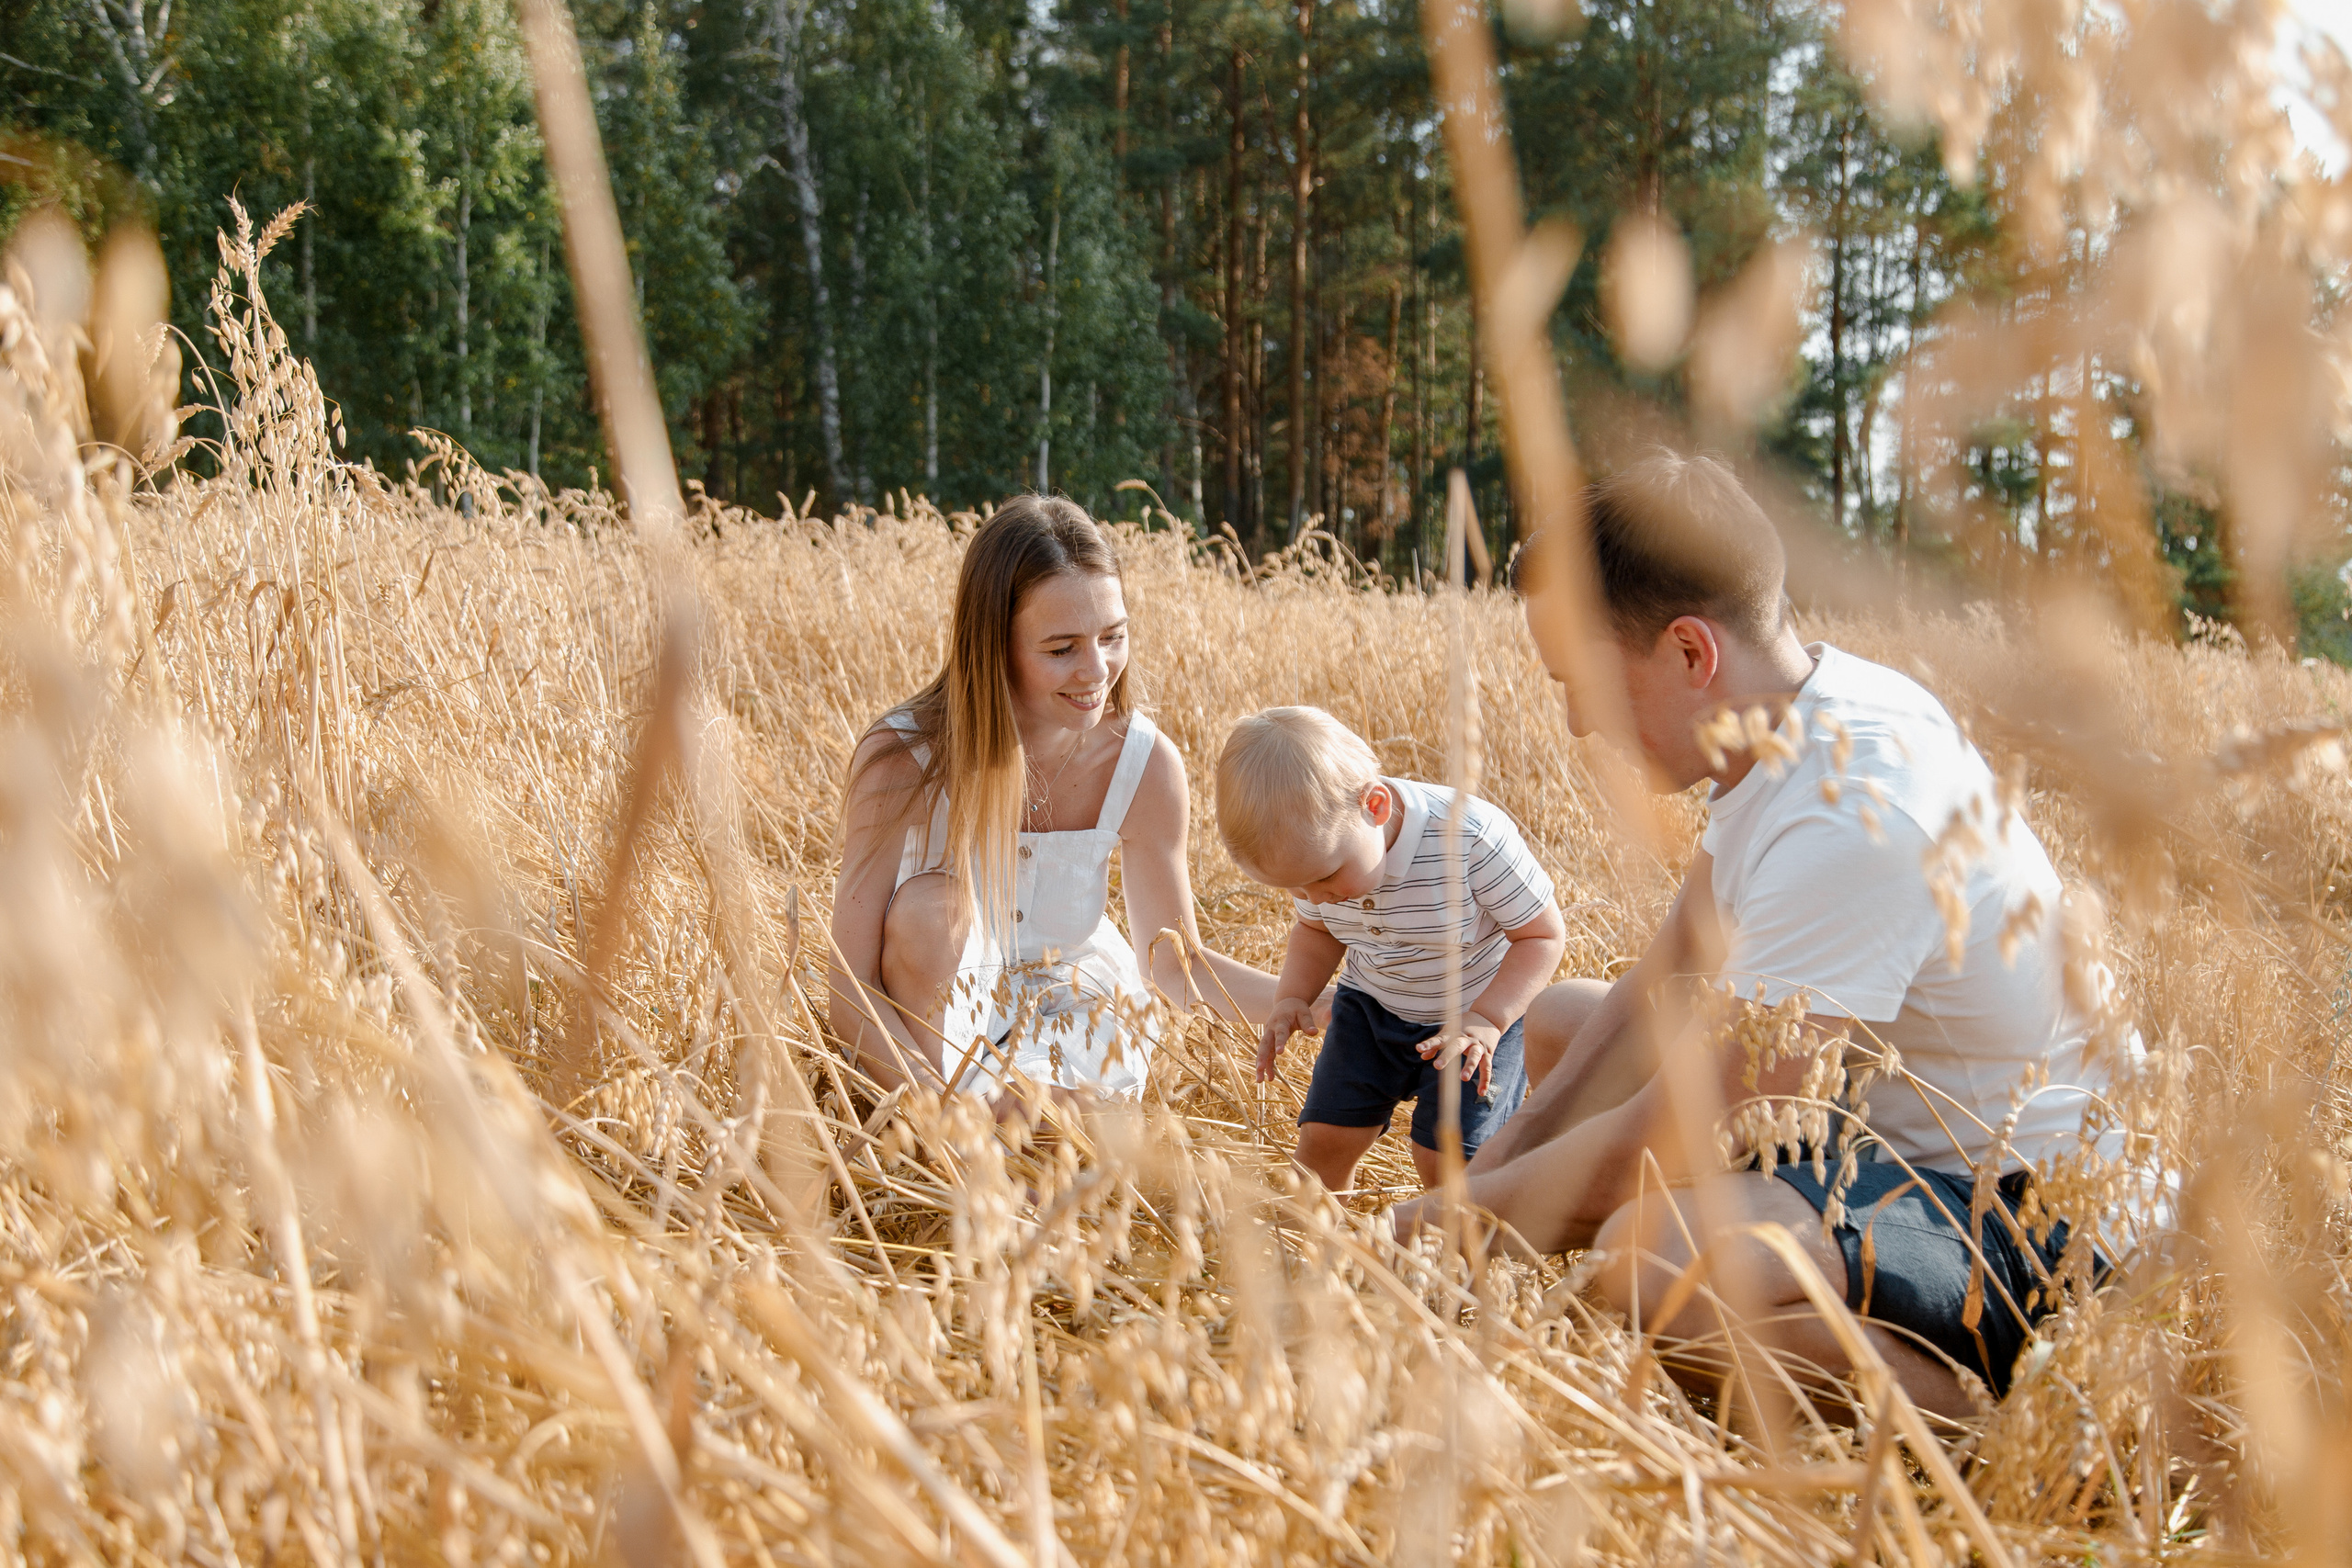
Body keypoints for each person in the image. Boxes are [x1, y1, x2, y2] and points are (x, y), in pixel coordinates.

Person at [1399, 450, 2115, 1416]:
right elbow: (1668, 970)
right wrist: (1506, 1157)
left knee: (1651, 1262)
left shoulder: (1853, 812)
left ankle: (2016, 1442)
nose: (1575, 723)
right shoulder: (1795, 714)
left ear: (1691, 653)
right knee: (1562, 1018)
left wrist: (1450, 1221)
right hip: (1889, 1146)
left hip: (2026, 1213)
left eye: (1585, 683)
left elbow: (1692, 1130)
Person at [829, 497, 1281, 1105]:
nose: (1098, 671)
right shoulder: (901, 759)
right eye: (1062, 648)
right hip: (934, 1031)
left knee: (1051, 1124)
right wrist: (934, 1111)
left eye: (1113, 636)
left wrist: (1321, 1000)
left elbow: (1176, 967)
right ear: (993, 645)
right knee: (930, 910)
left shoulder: (1143, 763)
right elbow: (849, 983)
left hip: (1075, 1001)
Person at [1217, 706, 1566, 1194]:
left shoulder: (1469, 839)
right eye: (1295, 889)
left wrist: (1489, 1019)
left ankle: (1452, 1260)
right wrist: (1292, 996)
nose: (1315, 898)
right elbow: (1317, 932)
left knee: (1446, 1158)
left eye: (1322, 878)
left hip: (1475, 1017)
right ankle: (1322, 1251)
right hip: (1372, 1008)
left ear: (1375, 807)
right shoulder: (1321, 868)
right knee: (1322, 1143)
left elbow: (1542, 936)